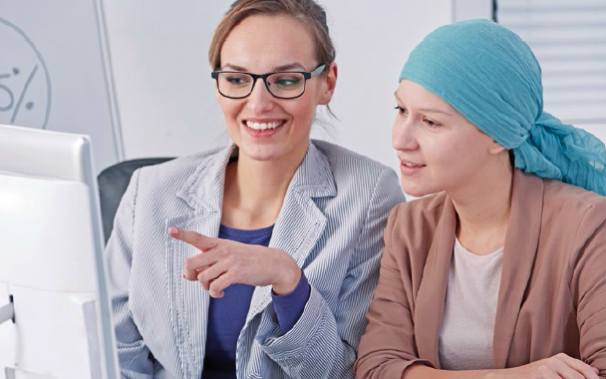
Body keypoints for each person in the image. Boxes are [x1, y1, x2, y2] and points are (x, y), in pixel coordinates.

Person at [105, 0, 404, 378]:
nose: (259, 103)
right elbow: (112, 352)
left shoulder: (369, 196)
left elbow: (346, 371)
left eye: (286, 80)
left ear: (326, 83)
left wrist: (289, 282)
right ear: (218, 86)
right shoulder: (149, 193)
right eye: (236, 79)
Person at [355, 19, 606, 379]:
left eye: (430, 122)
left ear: (498, 136)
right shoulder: (408, 227)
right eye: (401, 111)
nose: (400, 139)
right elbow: (377, 368)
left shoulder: (588, 225)